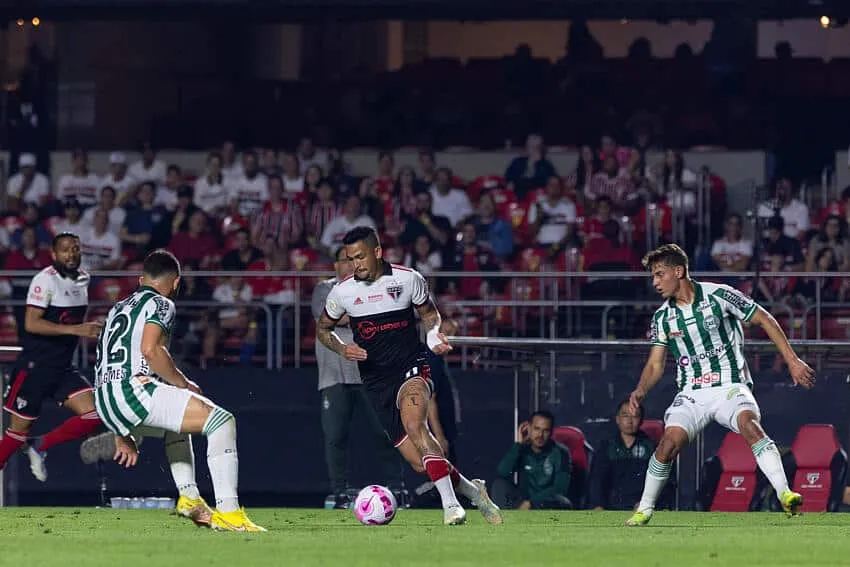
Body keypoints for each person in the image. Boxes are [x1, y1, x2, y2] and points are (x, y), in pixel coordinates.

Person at [316, 226, 502, 525]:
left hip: (411, 367)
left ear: (377, 252)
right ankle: (472, 489)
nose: (356, 265)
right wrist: (342, 348)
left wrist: (431, 337)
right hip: (376, 381)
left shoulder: (407, 278)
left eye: (360, 257)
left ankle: (452, 506)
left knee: (416, 425)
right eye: (350, 259)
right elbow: (323, 329)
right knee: (419, 463)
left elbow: (430, 315)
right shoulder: (343, 292)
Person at [625, 243, 815, 526]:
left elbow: (764, 318)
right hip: (691, 393)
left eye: (659, 274)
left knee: (750, 426)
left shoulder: (719, 295)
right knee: (668, 444)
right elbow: (655, 365)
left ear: (679, 271)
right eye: (653, 276)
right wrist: (641, 389)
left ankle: (785, 494)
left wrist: (792, 360)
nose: (655, 282)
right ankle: (645, 508)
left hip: (730, 385)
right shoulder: (663, 317)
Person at [92, 249, 264, 532]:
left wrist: (119, 429)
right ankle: (230, 513)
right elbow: (150, 350)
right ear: (176, 282)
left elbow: (106, 359)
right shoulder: (161, 303)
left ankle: (189, 497)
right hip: (133, 390)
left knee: (177, 424)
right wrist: (183, 383)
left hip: (105, 397)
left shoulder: (117, 307)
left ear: (141, 279)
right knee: (222, 421)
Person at [0, 232, 104, 482]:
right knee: (16, 435)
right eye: (66, 250)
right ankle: (28, 444)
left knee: (95, 414)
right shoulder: (44, 280)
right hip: (35, 368)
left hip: (62, 368)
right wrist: (76, 330)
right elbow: (32, 324)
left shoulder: (84, 279)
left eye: (76, 249)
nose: (72, 254)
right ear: (54, 254)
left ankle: (39, 445)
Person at [311, 246, 404, 509]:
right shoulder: (323, 290)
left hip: (372, 374)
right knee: (335, 436)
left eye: (355, 260)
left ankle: (398, 488)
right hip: (334, 376)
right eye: (345, 260)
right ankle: (339, 492)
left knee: (386, 431)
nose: (351, 265)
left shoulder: (373, 285)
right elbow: (332, 319)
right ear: (335, 265)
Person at [491, 410, 572, 510]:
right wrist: (518, 445)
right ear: (528, 428)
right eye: (536, 429)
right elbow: (502, 473)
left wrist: (532, 503)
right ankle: (505, 521)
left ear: (551, 432)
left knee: (563, 501)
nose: (540, 435)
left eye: (545, 430)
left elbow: (560, 488)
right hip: (522, 501)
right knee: (499, 485)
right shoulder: (522, 449)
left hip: (546, 502)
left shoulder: (561, 452)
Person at [589, 400, 661, 511]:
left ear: (641, 420)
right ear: (617, 419)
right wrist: (598, 505)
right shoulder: (606, 447)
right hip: (610, 506)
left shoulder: (651, 448)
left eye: (635, 416)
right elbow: (596, 481)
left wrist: (646, 503)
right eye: (625, 415)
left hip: (641, 506)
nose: (630, 421)